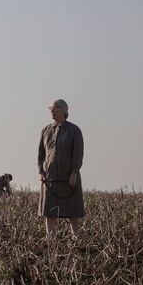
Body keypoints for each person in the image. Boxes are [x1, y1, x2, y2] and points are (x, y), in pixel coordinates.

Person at [38, 98, 84, 245]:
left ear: (63, 110)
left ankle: (75, 237)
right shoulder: (45, 130)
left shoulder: (74, 130)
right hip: (50, 177)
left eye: (54, 108)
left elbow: (78, 154)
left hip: (69, 176)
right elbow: (40, 154)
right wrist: (41, 171)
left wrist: (74, 173)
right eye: (50, 109)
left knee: (72, 209)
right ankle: (50, 238)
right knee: (49, 210)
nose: (51, 111)